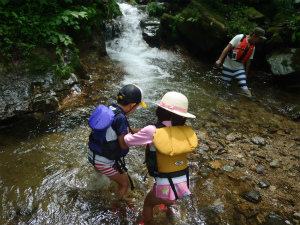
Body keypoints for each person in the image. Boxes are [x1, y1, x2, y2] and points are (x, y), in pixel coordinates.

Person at [124, 91, 198, 225]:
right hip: (183, 183)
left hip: (166, 185)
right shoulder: (184, 130)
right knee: (167, 195)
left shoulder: (152, 130)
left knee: (148, 203)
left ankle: (147, 222)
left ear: (160, 111)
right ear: (182, 117)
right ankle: (169, 210)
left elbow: (128, 141)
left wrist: (125, 132)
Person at [88, 84, 146, 199]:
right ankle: (115, 209)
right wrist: (138, 140)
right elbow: (123, 145)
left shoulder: (110, 109)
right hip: (103, 161)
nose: (135, 109)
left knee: (99, 179)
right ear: (132, 105)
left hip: (92, 154)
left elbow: (123, 130)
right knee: (124, 184)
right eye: (137, 107)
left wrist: (144, 131)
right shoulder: (121, 118)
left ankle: (94, 193)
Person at [215, 27, 267, 97]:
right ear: (254, 35)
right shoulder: (239, 38)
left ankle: (252, 102)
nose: (260, 40)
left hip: (240, 69)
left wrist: (246, 74)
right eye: (259, 38)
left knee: (244, 88)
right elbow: (227, 48)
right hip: (228, 67)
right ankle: (222, 101)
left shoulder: (252, 47)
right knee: (224, 86)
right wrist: (219, 60)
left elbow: (248, 61)